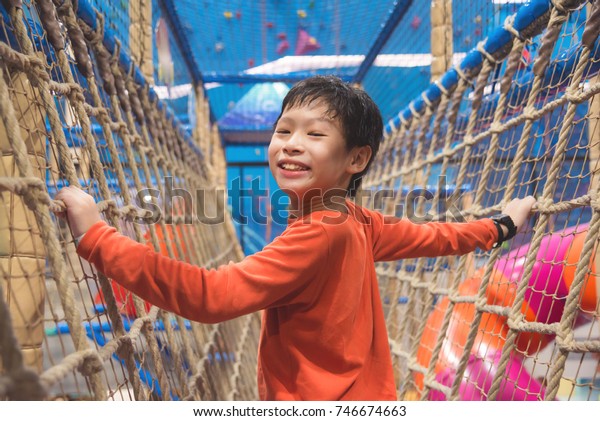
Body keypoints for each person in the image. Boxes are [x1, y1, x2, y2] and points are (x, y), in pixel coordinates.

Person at [55, 75, 536, 400]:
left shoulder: (317, 234)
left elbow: (211, 295)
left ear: (356, 159)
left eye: (314, 135)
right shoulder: (356, 221)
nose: (290, 143)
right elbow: (435, 235)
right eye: (284, 130)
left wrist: (97, 236)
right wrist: (501, 226)